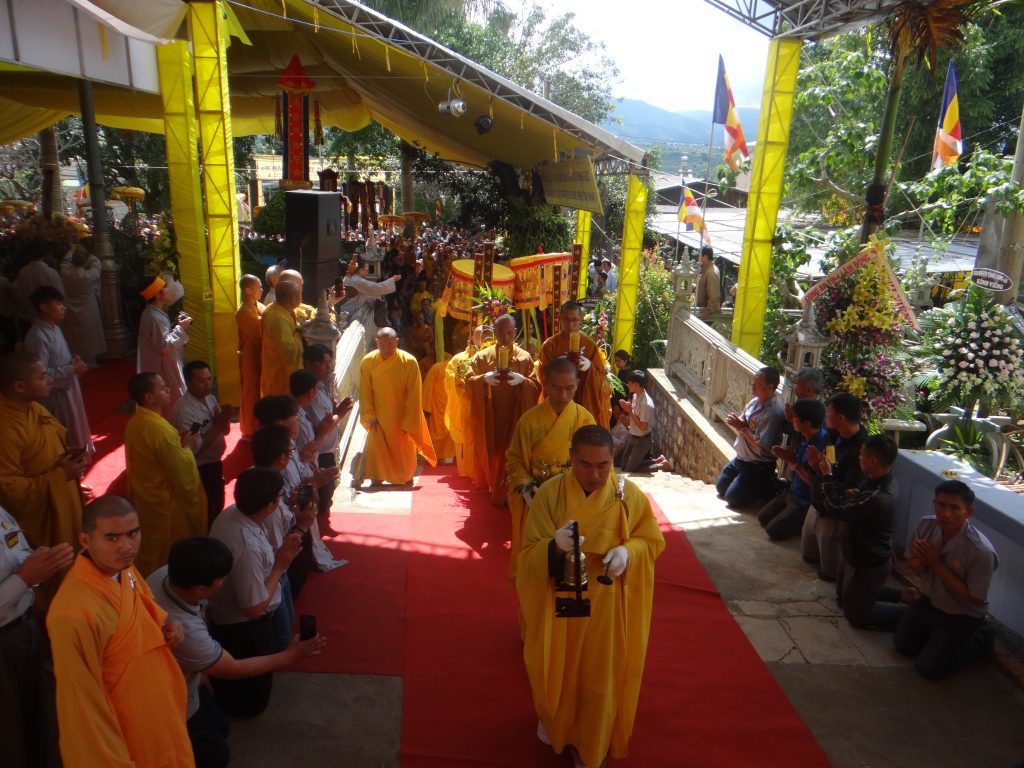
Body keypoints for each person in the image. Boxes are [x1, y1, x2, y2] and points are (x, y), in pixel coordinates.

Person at [517, 426, 665, 768]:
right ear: (571, 458)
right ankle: (559, 726)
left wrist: (629, 552)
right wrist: (553, 548)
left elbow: (651, 540)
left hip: (607, 606)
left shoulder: (628, 496)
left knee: (600, 676)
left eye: (603, 465)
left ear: (613, 458)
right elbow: (526, 557)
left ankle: (591, 745)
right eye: (585, 464)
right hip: (562, 599)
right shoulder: (550, 494)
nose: (594, 475)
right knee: (562, 671)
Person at [149, 537, 326, 767]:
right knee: (216, 756)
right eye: (222, 580)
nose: (226, 582)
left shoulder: (164, 574)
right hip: (169, 698)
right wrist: (290, 655)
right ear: (200, 589)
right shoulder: (188, 631)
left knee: (221, 725)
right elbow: (234, 668)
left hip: (185, 675)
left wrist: (201, 668)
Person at [47, 495, 195, 768]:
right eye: (112, 538)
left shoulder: (123, 569)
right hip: (125, 728)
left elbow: (145, 610)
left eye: (132, 534)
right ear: (85, 540)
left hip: (159, 712)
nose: (126, 546)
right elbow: (82, 702)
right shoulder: (72, 613)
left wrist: (169, 626)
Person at [207, 468, 302, 717]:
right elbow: (253, 609)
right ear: (271, 504)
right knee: (251, 700)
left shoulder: (232, 514)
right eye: (279, 496)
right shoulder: (245, 545)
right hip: (243, 630)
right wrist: (280, 565)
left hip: (231, 621)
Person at [894, 480, 998, 680]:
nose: (945, 513)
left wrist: (936, 565)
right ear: (934, 503)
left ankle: (981, 638)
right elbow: (911, 562)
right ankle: (937, 637)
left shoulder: (980, 551)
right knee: (903, 646)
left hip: (962, 613)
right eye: (941, 505)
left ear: (968, 512)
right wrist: (923, 563)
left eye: (954, 508)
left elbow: (976, 599)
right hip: (931, 600)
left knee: (929, 668)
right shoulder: (926, 525)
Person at [505, 358, 594, 583]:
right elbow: (515, 458)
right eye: (556, 388)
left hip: (574, 500)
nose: (563, 395)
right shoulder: (529, 421)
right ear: (545, 383)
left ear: (577, 383)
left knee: (573, 566)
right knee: (539, 562)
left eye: (569, 388)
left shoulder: (584, 418)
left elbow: (597, 460)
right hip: (537, 503)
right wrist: (525, 485)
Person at [0, 503, 73, 768]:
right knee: (9, 742)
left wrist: (41, 564)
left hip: (26, 629)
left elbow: (18, 553)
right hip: (4, 644)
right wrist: (25, 577)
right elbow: (23, 574)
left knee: (41, 730)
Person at [812, 434, 904, 631]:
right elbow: (863, 500)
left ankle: (912, 615)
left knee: (856, 615)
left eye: (861, 455)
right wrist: (856, 495)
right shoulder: (879, 479)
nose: (858, 458)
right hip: (854, 553)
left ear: (873, 461)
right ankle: (903, 595)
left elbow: (835, 508)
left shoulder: (879, 496)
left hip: (869, 562)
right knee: (842, 597)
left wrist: (827, 475)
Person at [0, 352, 86, 557]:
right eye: (42, 377)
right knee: (56, 564)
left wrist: (68, 458)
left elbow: (50, 444)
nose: (49, 380)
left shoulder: (34, 408)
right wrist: (60, 475)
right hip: (41, 517)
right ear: (20, 386)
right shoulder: (5, 427)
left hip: (62, 497)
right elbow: (8, 489)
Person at [124, 372, 207, 577]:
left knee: (150, 547)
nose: (168, 389)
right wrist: (187, 447)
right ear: (149, 397)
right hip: (165, 505)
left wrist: (176, 442)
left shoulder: (136, 420)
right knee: (165, 554)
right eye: (162, 388)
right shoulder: (159, 429)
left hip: (146, 499)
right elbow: (182, 473)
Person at [467, 314, 540, 504]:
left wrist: (523, 381)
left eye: (509, 333)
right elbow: (468, 381)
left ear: (515, 332)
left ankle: (511, 489)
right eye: (501, 333)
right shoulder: (483, 356)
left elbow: (536, 387)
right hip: (490, 414)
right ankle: (494, 484)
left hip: (515, 414)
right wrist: (483, 379)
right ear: (494, 332)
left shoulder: (524, 358)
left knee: (512, 451)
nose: (505, 337)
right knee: (493, 451)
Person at [359, 327, 436, 487]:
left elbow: (415, 394)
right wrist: (369, 414)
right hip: (378, 416)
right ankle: (377, 477)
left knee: (403, 449)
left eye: (389, 344)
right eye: (382, 345)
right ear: (376, 343)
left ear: (397, 342)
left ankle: (406, 476)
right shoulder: (368, 361)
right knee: (378, 448)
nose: (386, 349)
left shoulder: (409, 362)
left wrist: (410, 421)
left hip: (401, 417)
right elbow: (364, 390)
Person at [801, 392, 866, 581]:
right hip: (816, 503)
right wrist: (815, 467)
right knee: (808, 557)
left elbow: (848, 490)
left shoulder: (861, 449)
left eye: (829, 412)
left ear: (841, 418)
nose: (826, 416)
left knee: (829, 574)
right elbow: (825, 462)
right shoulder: (832, 434)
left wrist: (822, 471)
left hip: (833, 516)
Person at [23, 286, 93, 455]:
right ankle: (69, 465)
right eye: (59, 304)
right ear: (44, 307)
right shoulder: (38, 335)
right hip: (55, 394)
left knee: (75, 425)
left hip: (68, 388)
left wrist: (72, 360)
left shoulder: (54, 328)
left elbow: (58, 356)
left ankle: (79, 461)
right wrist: (71, 369)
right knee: (64, 431)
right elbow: (39, 374)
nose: (63, 307)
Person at [170, 361, 233, 525]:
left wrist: (224, 419)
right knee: (205, 510)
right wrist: (218, 423)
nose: (207, 384)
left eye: (209, 379)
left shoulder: (210, 399)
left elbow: (225, 431)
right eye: (200, 380)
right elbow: (194, 449)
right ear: (188, 383)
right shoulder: (184, 409)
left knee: (217, 502)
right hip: (199, 467)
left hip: (215, 462)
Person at [758, 398, 828, 540]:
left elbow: (814, 482)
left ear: (806, 424)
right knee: (762, 517)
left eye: (795, 418)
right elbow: (794, 455)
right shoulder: (804, 434)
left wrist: (793, 461)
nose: (791, 420)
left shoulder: (824, 445)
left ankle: (805, 523)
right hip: (792, 492)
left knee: (772, 530)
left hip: (805, 501)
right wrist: (787, 454)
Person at [716, 366, 786, 508]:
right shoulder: (754, 402)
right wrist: (740, 423)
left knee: (733, 499)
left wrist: (741, 428)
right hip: (741, 459)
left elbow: (761, 446)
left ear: (770, 387)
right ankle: (750, 484)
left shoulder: (772, 413)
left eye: (757, 383)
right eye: (753, 381)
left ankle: (769, 485)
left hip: (758, 464)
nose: (753, 386)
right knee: (721, 488)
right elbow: (744, 422)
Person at [540, 301, 611, 428]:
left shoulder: (589, 345)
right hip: (557, 403)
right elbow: (541, 375)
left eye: (574, 320)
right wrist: (556, 366)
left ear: (580, 319)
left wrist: (589, 367)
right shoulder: (550, 345)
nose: (570, 325)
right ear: (560, 319)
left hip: (583, 401)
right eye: (566, 319)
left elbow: (602, 378)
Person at [303, 344, 353, 522]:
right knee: (320, 502)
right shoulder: (310, 393)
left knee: (326, 497)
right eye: (324, 363)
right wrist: (339, 413)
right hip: (318, 453)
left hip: (327, 450)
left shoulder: (321, 387)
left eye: (330, 363)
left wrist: (336, 411)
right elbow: (320, 428)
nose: (329, 368)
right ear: (309, 364)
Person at [137, 275, 191, 416]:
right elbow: (165, 346)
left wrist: (177, 327)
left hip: (163, 365)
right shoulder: (154, 317)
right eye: (165, 287)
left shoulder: (154, 313)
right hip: (163, 368)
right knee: (172, 403)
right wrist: (180, 328)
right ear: (158, 294)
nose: (169, 289)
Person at [444, 325, 484, 483]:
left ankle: (483, 473)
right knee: (467, 438)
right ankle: (468, 471)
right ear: (472, 338)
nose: (482, 339)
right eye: (479, 335)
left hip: (486, 405)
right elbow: (450, 380)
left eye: (485, 335)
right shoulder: (460, 359)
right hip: (465, 405)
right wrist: (462, 385)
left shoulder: (493, 355)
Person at [60, 245, 105, 367]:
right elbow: (97, 262)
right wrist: (84, 251)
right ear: (86, 261)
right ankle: (91, 361)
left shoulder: (66, 273)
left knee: (75, 336)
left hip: (71, 307)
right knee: (90, 335)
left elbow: (65, 262)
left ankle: (77, 359)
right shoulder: (89, 275)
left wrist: (72, 249)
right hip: (89, 307)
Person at [617, 370, 670, 472]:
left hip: (642, 440)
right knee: (623, 467)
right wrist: (628, 408)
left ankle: (661, 466)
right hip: (632, 436)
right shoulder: (635, 396)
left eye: (630, 383)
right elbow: (634, 415)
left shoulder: (646, 403)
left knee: (630, 470)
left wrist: (630, 411)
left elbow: (643, 427)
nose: (627, 385)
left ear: (637, 385)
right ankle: (658, 460)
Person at [260, 279, 304, 397]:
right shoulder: (278, 318)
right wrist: (299, 334)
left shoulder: (277, 308)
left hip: (274, 369)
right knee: (280, 405)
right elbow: (289, 353)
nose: (301, 298)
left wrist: (299, 328)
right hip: (281, 374)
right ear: (293, 299)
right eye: (300, 295)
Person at [235, 273, 265, 440]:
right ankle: (249, 429)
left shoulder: (258, 306)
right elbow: (259, 330)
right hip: (250, 356)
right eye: (258, 287)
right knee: (250, 392)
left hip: (260, 354)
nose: (261, 289)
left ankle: (260, 425)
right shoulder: (243, 312)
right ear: (248, 290)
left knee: (260, 390)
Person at [337, 256, 401, 321]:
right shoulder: (357, 280)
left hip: (347, 310)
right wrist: (393, 279)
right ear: (361, 270)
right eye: (366, 270)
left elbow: (364, 294)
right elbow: (376, 288)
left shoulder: (352, 278)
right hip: (348, 313)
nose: (367, 272)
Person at [13, 251, 64, 324]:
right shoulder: (51, 272)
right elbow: (60, 293)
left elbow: (20, 295)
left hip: (31, 313)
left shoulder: (22, 272)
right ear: (43, 256)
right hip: (49, 312)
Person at [422, 351, 455, 465]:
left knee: (449, 430)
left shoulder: (457, 368)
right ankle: (441, 456)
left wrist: (425, 407)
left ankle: (447, 456)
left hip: (450, 405)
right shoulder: (436, 368)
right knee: (438, 430)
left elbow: (426, 388)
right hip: (438, 406)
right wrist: (426, 407)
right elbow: (427, 387)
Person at [695, 245, 721, 315]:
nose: (698, 258)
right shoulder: (707, 269)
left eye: (700, 256)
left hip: (706, 314)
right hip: (701, 309)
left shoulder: (711, 273)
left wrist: (708, 312)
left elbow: (714, 296)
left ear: (705, 257)